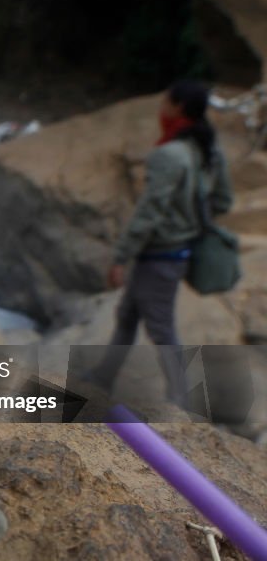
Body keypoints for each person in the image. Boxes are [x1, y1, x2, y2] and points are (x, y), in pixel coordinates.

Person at [93, 79, 233, 406]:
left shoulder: (169, 155)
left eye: (165, 103)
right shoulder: (209, 151)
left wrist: (121, 257)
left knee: (160, 328)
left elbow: (149, 212)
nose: (160, 110)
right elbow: (223, 200)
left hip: (160, 253)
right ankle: (101, 377)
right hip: (179, 248)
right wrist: (192, 220)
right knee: (127, 314)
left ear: (178, 108)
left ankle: (179, 400)